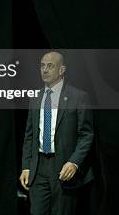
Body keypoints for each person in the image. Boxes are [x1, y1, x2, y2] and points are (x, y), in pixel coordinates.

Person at [19, 51, 94, 214]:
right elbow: (29, 136)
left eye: (50, 66)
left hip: (63, 167)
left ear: (62, 70)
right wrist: (26, 166)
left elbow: (86, 135)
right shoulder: (35, 98)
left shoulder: (78, 97)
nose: (44, 70)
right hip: (38, 168)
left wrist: (74, 162)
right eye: (42, 66)